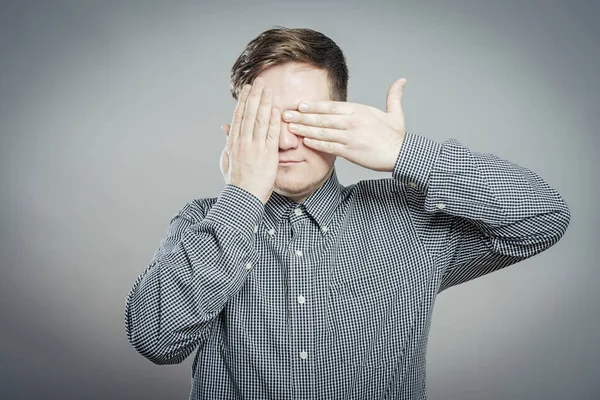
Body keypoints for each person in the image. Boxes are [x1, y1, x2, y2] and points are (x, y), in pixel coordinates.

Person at [124, 26, 571, 399]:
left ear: (342, 118)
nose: (284, 142)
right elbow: (155, 339)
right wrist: (241, 194)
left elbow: (543, 219)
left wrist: (404, 153)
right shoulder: (201, 224)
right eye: (264, 120)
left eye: (303, 118)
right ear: (236, 127)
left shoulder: (408, 221)